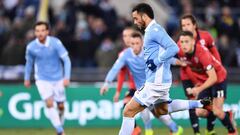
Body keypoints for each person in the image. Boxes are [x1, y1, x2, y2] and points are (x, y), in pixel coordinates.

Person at [117, 3, 211, 135]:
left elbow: (173, 48)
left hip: (155, 81)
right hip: (161, 80)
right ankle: (199, 103)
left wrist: (156, 61)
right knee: (162, 110)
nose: (135, 21)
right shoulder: (151, 31)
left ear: (144, 16)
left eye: (136, 18)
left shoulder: (155, 30)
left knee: (128, 111)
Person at [175, 31, 238, 135]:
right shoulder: (180, 50)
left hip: (218, 78)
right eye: (181, 42)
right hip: (206, 80)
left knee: (217, 111)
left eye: (186, 41)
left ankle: (232, 131)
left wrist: (197, 89)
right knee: (199, 112)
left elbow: (213, 77)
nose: (184, 44)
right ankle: (227, 115)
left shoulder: (202, 53)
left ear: (193, 42)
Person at [177, 14, 222, 135]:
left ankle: (210, 129)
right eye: (183, 25)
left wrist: (218, 68)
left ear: (194, 25)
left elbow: (214, 54)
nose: (185, 27)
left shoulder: (205, 36)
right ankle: (196, 132)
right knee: (191, 101)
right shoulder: (180, 43)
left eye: (188, 24)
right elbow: (179, 61)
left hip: (204, 76)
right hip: (187, 76)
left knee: (208, 103)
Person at [24, 21, 71, 135]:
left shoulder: (56, 43)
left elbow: (66, 60)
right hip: (42, 79)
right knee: (49, 103)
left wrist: (67, 77)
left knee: (61, 106)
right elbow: (29, 63)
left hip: (58, 78)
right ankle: (60, 131)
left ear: (47, 32)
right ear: (35, 32)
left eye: (42, 30)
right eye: (37, 31)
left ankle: (59, 124)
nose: (40, 33)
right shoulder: (31, 47)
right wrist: (26, 78)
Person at [113, 27, 152, 135]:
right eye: (124, 36)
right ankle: (136, 129)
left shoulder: (146, 52)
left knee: (159, 112)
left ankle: (170, 128)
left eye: (128, 35)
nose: (126, 38)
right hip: (133, 87)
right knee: (126, 105)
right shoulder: (123, 54)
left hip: (147, 86)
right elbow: (121, 73)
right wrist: (117, 91)